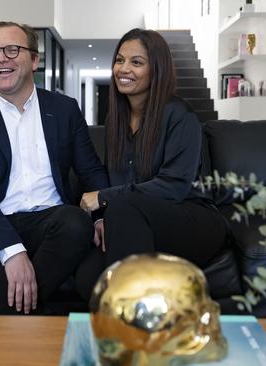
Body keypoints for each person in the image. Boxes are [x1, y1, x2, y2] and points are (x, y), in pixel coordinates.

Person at [0, 21, 108, 315]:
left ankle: (11, 317)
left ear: (35, 60)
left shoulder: (64, 109)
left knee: (77, 224)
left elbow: (90, 170)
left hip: (50, 218)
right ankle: (28, 318)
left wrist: (102, 213)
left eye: (12, 50)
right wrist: (12, 251)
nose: (1, 58)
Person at [76, 28, 229, 300]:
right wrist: (102, 214)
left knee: (122, 209)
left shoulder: (180, 114)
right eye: (120, 60)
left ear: (156, 69)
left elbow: (174, 187)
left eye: (136, 62)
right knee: (87, 280)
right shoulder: (115, 119)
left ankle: (133, 325)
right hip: (134, 221)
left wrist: (103, 198)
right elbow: (117, 181)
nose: (124, 69)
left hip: (192, 219)